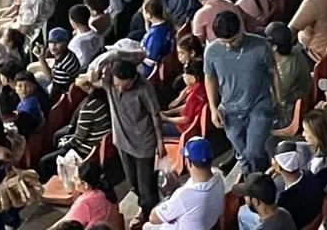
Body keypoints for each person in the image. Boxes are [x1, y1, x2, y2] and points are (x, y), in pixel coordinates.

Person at [203, 11, 275, 175]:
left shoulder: (261, 46)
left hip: (259, 105)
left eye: (234, 40)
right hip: (229, 109)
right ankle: (258, 179)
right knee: (243, 153)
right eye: (224, 42)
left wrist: (277, 98)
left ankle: (255, 184)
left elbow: (272, 73)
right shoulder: (212, 52)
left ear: (241, 30)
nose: (229, 45)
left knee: (253, 152)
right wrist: (213, 108)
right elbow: (210, 78)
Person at [98, 59, 163, 222]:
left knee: (145, 186)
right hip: (122, 141)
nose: (120, 88)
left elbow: (155, 115)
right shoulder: (109, 83)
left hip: (144, 143)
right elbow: (90, 76)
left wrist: (160, 141)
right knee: (133, 182)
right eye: (117, 84)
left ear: (133, 79)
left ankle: (150, 219)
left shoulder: (144, 88)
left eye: (124, 85)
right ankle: (147, 207)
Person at [148, 137, 224, 230]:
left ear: (189, 162)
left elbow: (153, 218)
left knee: (147, 226)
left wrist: (169, 197)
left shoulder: (184, 196)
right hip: (208, 225)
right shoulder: (219, 177)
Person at [53, 160, 122, 230]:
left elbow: (66, 225)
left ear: (85, 185)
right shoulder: (107, 191)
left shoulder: (85, 202)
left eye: (75, 178)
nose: (72, 180)